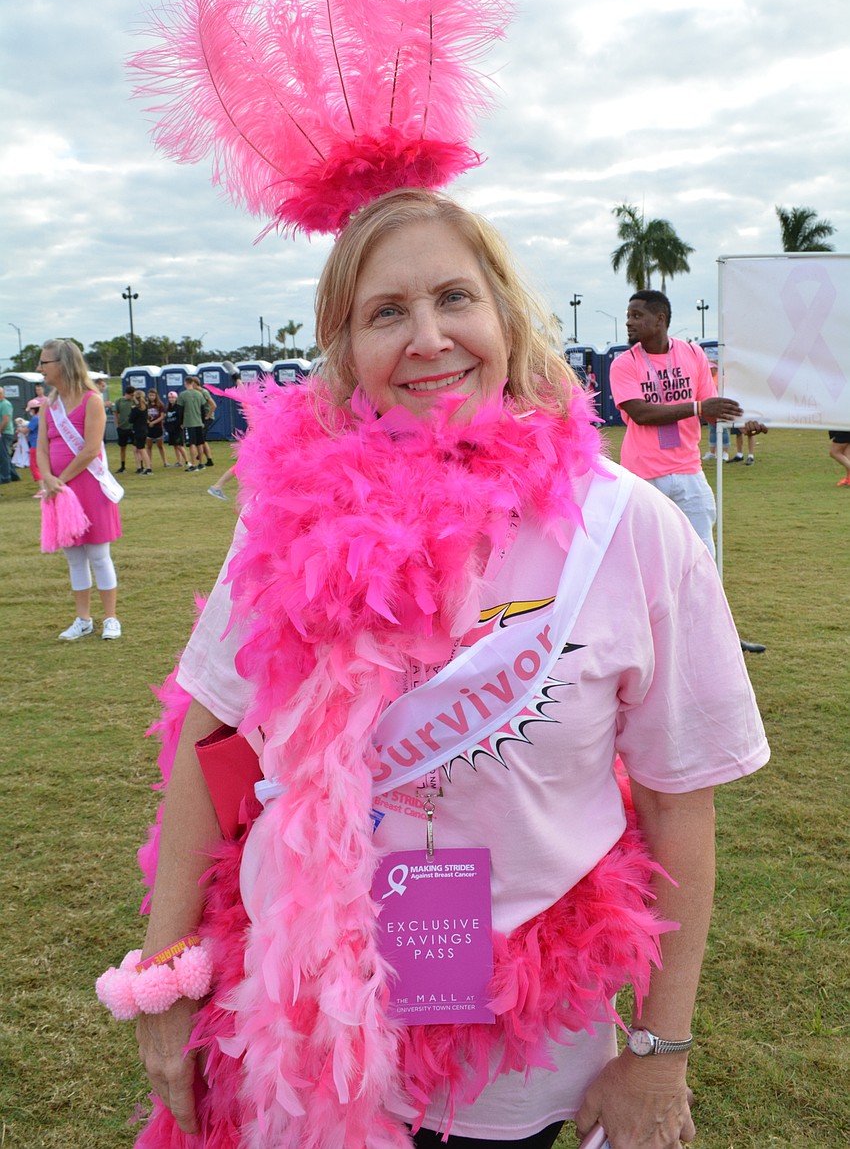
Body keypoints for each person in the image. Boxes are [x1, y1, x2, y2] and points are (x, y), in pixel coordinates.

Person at [101, 191, 770, 1149]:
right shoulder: (285, 519)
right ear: (346, 348)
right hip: (302, 1027)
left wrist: (660, 1051)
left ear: (504, 316)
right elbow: (211, 731)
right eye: (386, 312)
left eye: (455, 297)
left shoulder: (627, 527)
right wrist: (167, 971)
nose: (428, 339)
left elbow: (678, 801)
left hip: (519, 1050)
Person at [608, 291, 768, 654]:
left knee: (703, 560)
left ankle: (718, 636)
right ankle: (645, 645)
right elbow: (640, 413)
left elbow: (712, 410)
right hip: (643, 477)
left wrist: (747, 420)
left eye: (636, 315)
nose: (629, 322)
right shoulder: (624, 363)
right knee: (644, 564)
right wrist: (697, 406)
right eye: (628, 315)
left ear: (660, 319)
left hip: (688, 471)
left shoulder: (692, 354)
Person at [36, 339, 122, 640]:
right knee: (73, 557)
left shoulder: (92, 400)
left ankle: (111, 618)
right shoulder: (49, 406)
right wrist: (48, 477)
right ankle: (83, 618)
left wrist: (61, 479)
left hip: (89, 487)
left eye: (44, 362)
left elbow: (90, 450)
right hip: (60, 491)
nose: (40, 368)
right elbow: (42, 449)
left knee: (99, 554)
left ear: (63, 364)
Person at [177, 377, 206, 472]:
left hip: (189, 422)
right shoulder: (199, 394)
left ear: (185, 383)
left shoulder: (182, 395)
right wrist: (202, 421)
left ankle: (193, 464)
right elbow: (203, 409)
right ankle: (201, 463)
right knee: (200, 443)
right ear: (193, 383)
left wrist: (181, 422)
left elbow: (180, 410)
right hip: (198, 422)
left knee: (192, 444)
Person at [114, 383, 137, 473]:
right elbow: (116, 413)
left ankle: (139, 465)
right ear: (127, 394)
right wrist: (117, 425)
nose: (133, 397)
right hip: (122, 427)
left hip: (132, 428)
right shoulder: (119, 401)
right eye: (132, 395)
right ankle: (123, 466)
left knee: (136, 447)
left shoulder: (135, 401)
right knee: (122, 447)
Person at [145, 388, 169, 469]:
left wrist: (153, 422)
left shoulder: (160, 405)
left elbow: (162, 416)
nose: (152, 397)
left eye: (153, 395)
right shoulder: (145, 404)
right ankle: (149, 463)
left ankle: (165, 462)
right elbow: (143, 415)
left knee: (160, 446)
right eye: (150, 395)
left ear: (156, 396)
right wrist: (148, 422)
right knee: (149, 446)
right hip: (149, 428)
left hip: (158, 427)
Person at [0, 386, 19, 485]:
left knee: (3, 456)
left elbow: (5, 419)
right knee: (6, 454)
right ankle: (14, 475)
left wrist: (0, 431)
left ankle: (5, 477)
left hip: (5, 433)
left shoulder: (5, 404)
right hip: (3, 432)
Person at [130, 390, 153, 475]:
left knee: (142, 449)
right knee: (136, 448)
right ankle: (139, 467)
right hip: (143, 429)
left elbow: (131, 420)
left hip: (138, 430)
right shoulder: (145, 407)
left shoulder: (136, 409)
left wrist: (133, 409)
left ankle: (148, 467)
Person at [164, 391, 188, 468]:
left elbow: (182, 416)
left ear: (176, 398)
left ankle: (187, 461)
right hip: (171, 429)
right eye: (170, 398)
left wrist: (182, 424)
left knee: (179, 445)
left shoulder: (179, 407)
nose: (171, 399)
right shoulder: (168, 407)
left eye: (173, 397)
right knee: (175, 446)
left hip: (178, 429)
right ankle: (179, 461)